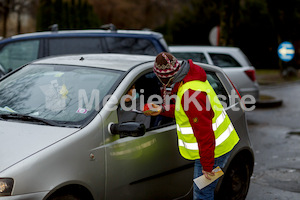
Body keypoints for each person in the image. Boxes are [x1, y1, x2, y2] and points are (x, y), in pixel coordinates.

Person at [146, 52, 240, 200]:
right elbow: (185, 111)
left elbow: (205, 133)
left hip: (215, 152)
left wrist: (207, 166)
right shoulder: (190, 79)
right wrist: (162, 109)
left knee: (202, 193)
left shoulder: (191, 93)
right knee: (204, 190)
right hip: (219, 147)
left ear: (166, 77)